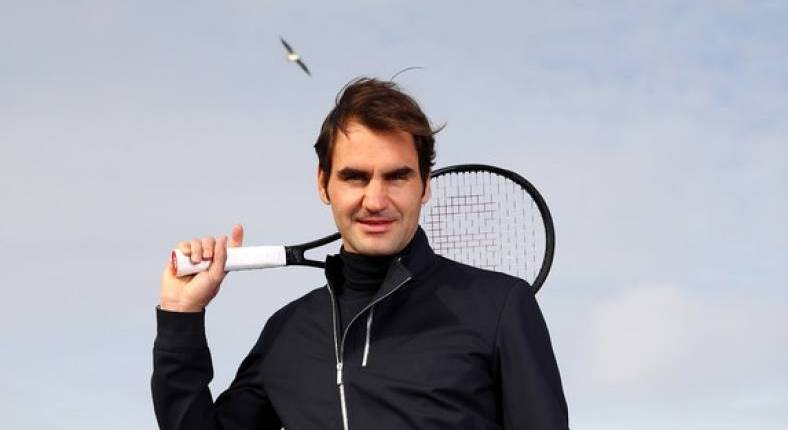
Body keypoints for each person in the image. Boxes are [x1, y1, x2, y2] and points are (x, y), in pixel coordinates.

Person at [152, 78, 568, 429]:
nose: (375, 199)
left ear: (424, 186)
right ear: (323, 183)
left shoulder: (500, 306)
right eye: (354, 177)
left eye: (397, 177)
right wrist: (180, 316)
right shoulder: (287, 331)